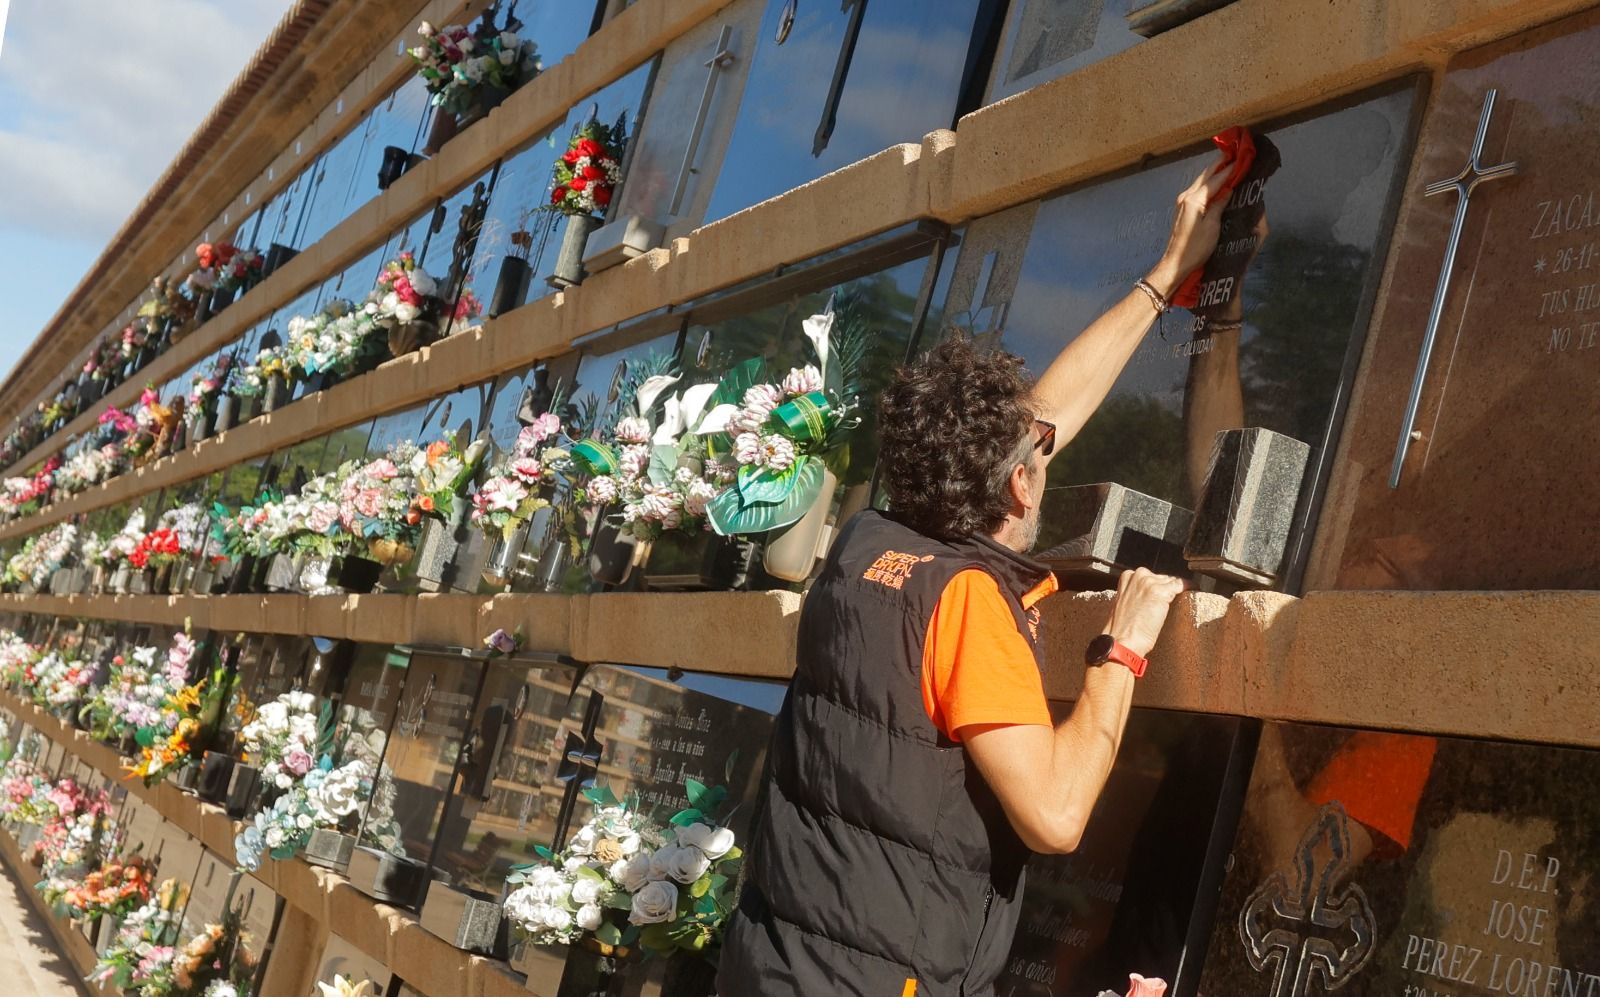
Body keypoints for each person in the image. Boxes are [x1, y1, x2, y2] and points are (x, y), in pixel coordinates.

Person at [718, 158, 1233, 997]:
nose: (1044, 453)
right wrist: (1122, 652)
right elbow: (1056, 815)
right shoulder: (964, 602)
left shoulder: (863, 543)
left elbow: (1042, 415)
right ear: (1022, 483)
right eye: (1037, 455)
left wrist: (1161, 280)